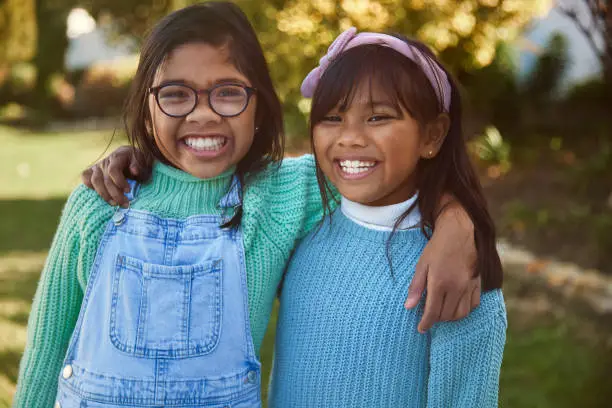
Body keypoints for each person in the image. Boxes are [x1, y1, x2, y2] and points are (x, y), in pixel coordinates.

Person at [14, 3, 478, 408]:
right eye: (175, 94)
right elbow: (44, 352)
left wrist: (458, 223)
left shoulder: (282, 194)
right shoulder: (97, 204)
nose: (203, 113)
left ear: (260, 105)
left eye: (228, 91)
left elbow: (393, 172)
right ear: (145, 106)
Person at [269, 28, 507, 408]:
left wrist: (458, 220)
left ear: (432, 135)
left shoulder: (456, 275)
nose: (349, 138)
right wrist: (138, 161)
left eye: (378, 117)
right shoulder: (298, 217)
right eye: (331, 117)